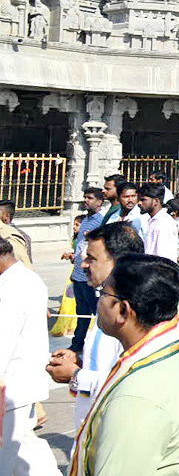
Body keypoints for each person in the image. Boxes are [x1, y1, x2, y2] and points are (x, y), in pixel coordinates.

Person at [68, 254, 179, 476]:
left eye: (103, 293)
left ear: (122, 310)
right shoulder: (177, 350)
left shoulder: (136, 396)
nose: (98, 301)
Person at [46, 222, 142, 429]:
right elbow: (108, 365)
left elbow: (134, 386)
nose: (83, 265)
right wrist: (80, 362)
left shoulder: (134, 314)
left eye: (92, 258)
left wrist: (76, 375)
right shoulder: (106, 304)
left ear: (117, 262)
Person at [0, 233, 58, 476]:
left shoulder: (11, 288)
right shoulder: (29, 278)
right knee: (26, 447)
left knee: (6, 452)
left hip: (11, 384)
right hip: (24, 379)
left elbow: (4, 340)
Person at [61, 186, 107, 353]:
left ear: (100, 202)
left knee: (95, 312)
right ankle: (77, 343)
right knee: (81, 313)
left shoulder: (101, 222)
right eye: (85, 197)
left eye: (90, 198)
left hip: (90, 276)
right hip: (78, 275)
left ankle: (99, 344)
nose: (86, 201)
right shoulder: (85, 220)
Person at [139, 182, 179, 262]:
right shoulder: (154, 220)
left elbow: (162, 257)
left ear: (156, 201)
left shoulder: (164, 223)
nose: (139, 203)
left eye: (143, 200)